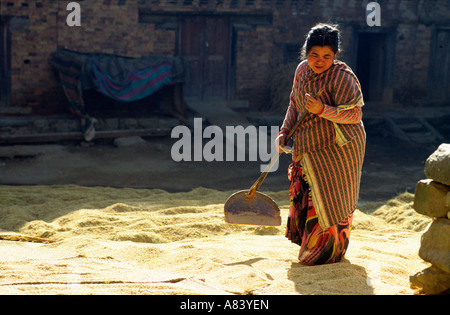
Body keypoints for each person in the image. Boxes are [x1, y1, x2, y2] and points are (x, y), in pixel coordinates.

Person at [275, 23, 366, 265]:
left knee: (332, 198)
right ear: (306, 53)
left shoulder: (343, 78)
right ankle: (310, 248)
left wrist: (322, 110)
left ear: (335, 56)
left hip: (341, 148)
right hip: (309, 146)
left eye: (327, 56)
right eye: (314, 55)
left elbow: (355, 115)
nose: (319, 61)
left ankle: (328, 254)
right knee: (311, 195)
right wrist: (284, 131)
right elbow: (295, 104)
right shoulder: (302, 71)